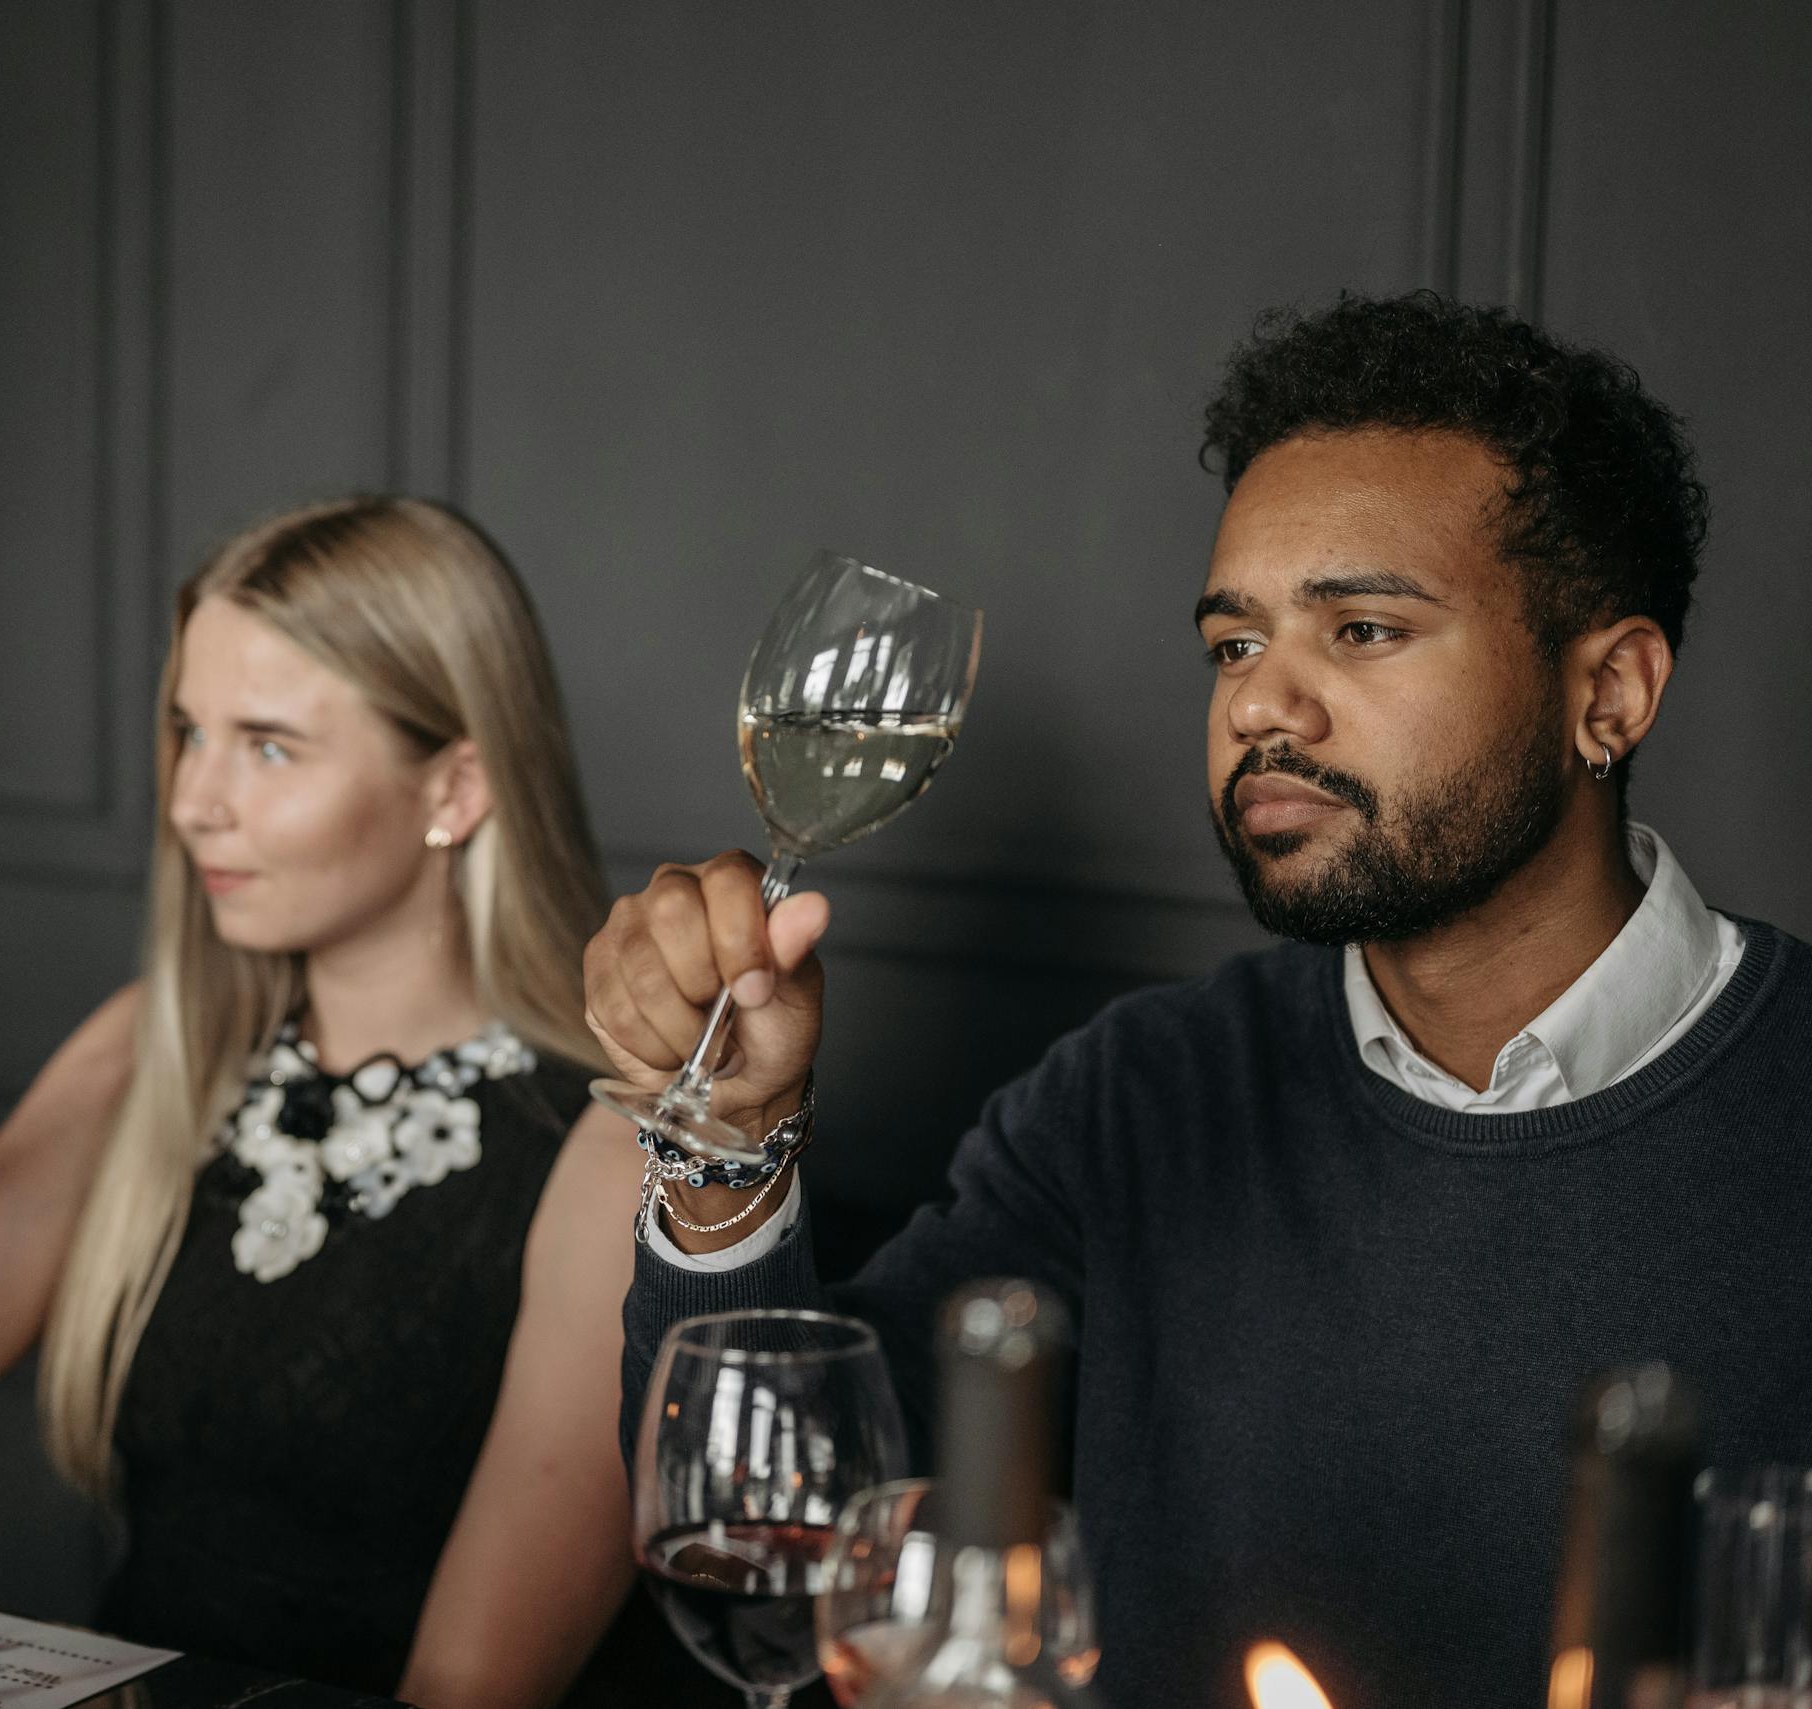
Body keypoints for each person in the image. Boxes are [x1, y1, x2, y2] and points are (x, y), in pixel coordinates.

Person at [587, 293, 1812, 1709]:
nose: (1259, 706)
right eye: (1234, 644)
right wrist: (736, 1138)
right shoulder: (1138, 1096)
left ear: (1611, 691)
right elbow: (795, 1544)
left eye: (1362, 629)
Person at [0, 497, 641, 1707]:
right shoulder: (164, 1043)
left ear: (454, 786)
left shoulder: (607, 1153)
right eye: (190, 731)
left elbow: (466, 1692)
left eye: (270, 745)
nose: (193, 799)